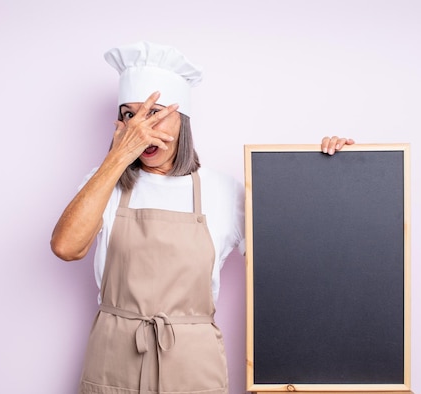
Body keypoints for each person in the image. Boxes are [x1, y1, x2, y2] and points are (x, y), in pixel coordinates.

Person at [51, 41, 354, 394]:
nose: (141, 129)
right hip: (114, 359)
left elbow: (299, 264)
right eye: (130, 115)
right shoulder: (103, 183)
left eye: (155, 113)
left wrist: (340, 173)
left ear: (183, 120)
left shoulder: (226, 192)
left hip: (193, 366)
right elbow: (67, 247)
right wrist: (118, 158)